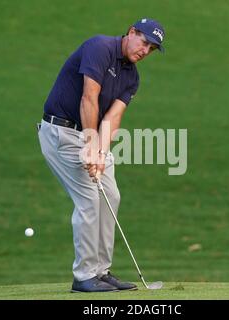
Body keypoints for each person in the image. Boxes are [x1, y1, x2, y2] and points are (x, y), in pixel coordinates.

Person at [37, 18, 165, 292]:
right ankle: (84, 276)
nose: (145, 51)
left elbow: (113, 117)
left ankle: (101, 271)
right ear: (131, 33)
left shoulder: (133, 77)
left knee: (111, 196)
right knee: (89, 199)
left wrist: (101, 151)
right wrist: (91, 143)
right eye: (144, 42)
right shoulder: (100, 47)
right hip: (61, 132)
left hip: (90, 135)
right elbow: (89, 98)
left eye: (152, 49)